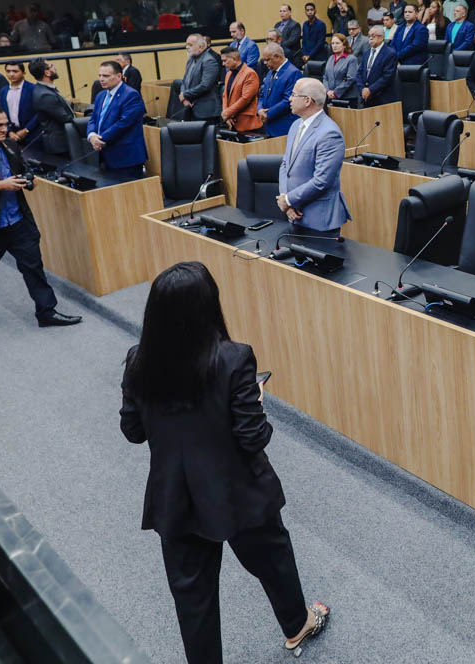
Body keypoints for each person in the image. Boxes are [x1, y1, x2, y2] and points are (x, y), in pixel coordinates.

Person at [120, 262, 329, 662]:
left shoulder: (137, 361)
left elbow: (133, 431)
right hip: (238, 492)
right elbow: (253, 439)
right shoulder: (234, 359)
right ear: (208, 307)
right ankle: (297, 624)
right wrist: (257, 402)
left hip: (175, 497)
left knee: (192, 598)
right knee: (273, 560)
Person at [0, 105, 81, 331]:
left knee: (34, 268)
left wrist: (29, 180)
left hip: (18, 222)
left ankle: (46, 312)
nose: (4, 129)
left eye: (5, 124)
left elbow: (23, 169)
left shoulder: (10, 145)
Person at [276, 79, 352, 236]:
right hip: (293, 213)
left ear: (307, 101)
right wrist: (287, 202)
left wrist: (289, 200)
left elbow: (321, 181)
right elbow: (285, 165)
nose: (289, 99)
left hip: (318, 220)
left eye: (293, 94)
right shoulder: (295, 125)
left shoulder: (329, 133)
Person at [85, 61, 149, 180]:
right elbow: (93, 118)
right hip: (105, 155)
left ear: (119, 76)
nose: (101, 79)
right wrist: (92, 135)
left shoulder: (131, 95)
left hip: (126, 158)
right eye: (99, 75)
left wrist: (100, 140)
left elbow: (124, 123)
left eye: (106, 76)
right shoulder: (100, 95)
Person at [26, 59, 75, 156]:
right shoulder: (45, 95)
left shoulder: (44, 89)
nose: (55, 68)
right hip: (60, 145)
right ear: (47, 72)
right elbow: (66, 118)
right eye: (52, 66)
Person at [256, 44, 302, 136]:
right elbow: (262, 95)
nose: (265, 63)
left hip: (284, 127)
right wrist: (260, 110)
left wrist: (268, 114)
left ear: (277, 57)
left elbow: (288, 101)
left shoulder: (293, 73)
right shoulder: (270, 72)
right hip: (269, 126)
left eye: (267, 60)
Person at [178, 34, 222, 122]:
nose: (187, 47)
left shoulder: (209, 61)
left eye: (190, 45)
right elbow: (184, 81)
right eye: (186, 44)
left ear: (200, 47)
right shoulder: (190, 60)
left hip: (206, 111)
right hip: (191, 108)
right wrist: (184, 96)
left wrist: (185, 94)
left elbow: (205, 85)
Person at [219, 46, 262, 132]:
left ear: (234, 59)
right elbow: (225, 96)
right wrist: (226, 115)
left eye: (225, 61)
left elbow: (246, 98)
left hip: (247, 124)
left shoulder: (250, 73)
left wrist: (228, 113)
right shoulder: (228, 74)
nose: (223, 64)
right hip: (232, 122)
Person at [359, 26, 399, 107]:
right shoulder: (366, 53)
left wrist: (370, 90)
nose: (370, 38)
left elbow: (387, 77)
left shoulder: (390, 53)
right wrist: (362, 89)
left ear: (381, 37)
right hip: (366, 98)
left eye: (373, 36)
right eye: (369, 36)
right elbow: (359, 73)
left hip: (382, 98)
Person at [1, 60, 36, 142]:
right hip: (12, 134)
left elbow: (39, 112)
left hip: (32, 133)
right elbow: (2, 112)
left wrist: (27, 129)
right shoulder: (3, 91)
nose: (11, 74)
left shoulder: (32, 88)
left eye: (15, 71)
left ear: (23, 73)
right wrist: (9, 131)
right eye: (8, 71)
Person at [320, 34, 360, 107]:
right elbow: (325, 77)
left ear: (344, 45)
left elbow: (350, 79)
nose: (334, 46)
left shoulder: (351, 59)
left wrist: (336, 93)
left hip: (347, 98)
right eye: (333, 43)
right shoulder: (331, 58)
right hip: (330, 97)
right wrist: (327, 91)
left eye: (337, 43)